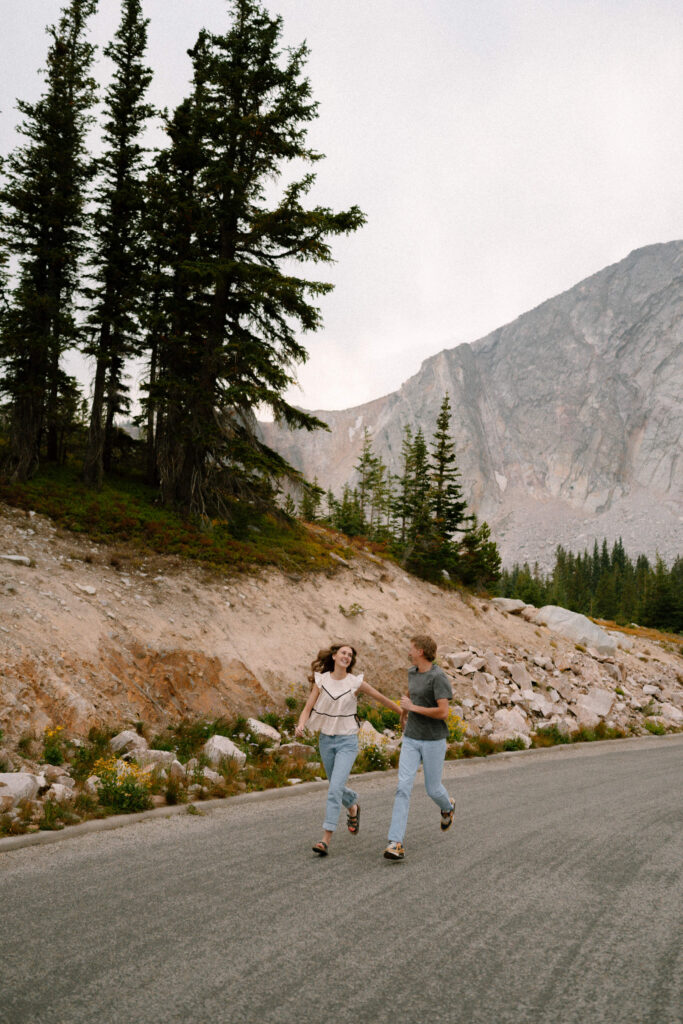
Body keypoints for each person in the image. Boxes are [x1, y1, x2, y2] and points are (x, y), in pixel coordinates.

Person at [295, 641, 399, 857]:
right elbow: (307, 708)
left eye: (350, 655)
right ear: (334, 656)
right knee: (335, 785)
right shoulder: (321, 680)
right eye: (343, 653)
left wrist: (404, 712)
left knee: (334, 790)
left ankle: (325, 840)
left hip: (347, 742)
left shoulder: (355, 683)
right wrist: (301, 724)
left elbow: (381, 698)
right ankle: (352, 806)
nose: (347, 657)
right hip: (326, 740)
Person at [384, 634, 455, 860]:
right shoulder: (412, 673)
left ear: (421, 652)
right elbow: (410, 693)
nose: (408, 652)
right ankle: (395, 843)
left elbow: (443, 712)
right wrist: (404, 713)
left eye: (411, 648)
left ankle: (447, 806)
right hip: (412, 738)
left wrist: (413, 708)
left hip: (434, 739)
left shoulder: (438, 677)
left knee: (433, 789)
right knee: (403, 786)